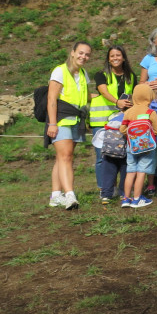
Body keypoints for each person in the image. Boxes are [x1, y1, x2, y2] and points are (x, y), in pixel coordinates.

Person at [47, 41, 93, 210]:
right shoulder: (60, 71)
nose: (84, 57)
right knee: (66, 156)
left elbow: (87, 96)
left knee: (62, 158)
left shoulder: (83, 74)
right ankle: (70, 195)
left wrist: (110, 98)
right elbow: (51, 98)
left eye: (87, 54)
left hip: (76, 119)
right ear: (73, 52)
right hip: (61, 119)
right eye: (81, 53)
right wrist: (52, 123)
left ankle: (55, 195)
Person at [89, 45, 135, 198]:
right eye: (112, 56)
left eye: (118, 55)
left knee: (122, 154)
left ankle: (122, 189)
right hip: (101, 120)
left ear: (123, 57)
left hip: (121, 120)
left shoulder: (131, 76)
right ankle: (105, 189)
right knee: (103, 156)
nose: (115, 58)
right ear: (108, 59)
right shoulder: (101, 74)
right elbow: (103, 90)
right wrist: (117, 102)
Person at [118, 83, 157, 209]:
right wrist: (146, 134)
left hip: (132, 146)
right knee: (141, 172)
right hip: (147, 147)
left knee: (130, 171)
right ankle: (137, 199)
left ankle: (126, 198)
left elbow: (122, 129)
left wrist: (133, 135)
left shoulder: (129, 112)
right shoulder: (150, 112)